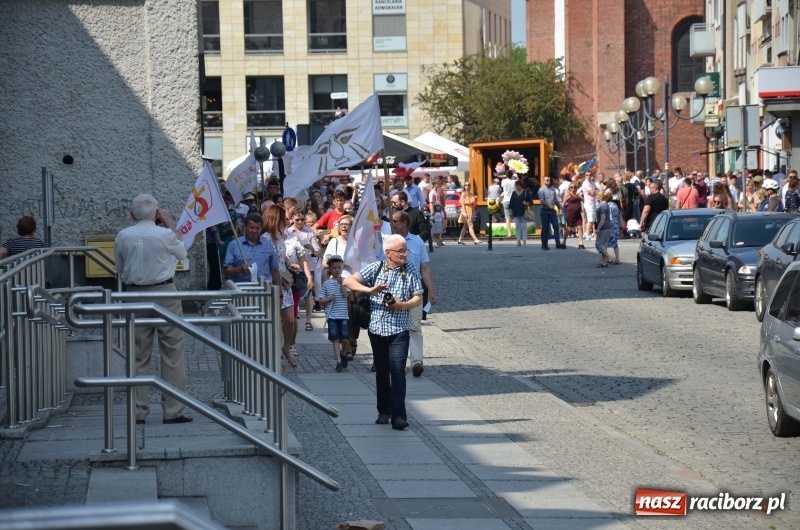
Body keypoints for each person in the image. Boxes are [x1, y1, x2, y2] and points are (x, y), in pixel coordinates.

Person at [114, 194, 192, 425]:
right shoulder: (165, 234)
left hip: (135, 294)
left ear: (131, 215)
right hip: (165, 292)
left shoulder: (123, 235)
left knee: (137, 355)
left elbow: (119, 268)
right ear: (157, 214)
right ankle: (173, 410)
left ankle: (137, 412)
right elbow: (183, 254)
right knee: (173, 353)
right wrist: (168, 222)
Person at [343, 234, 423, 431]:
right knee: (381, 371)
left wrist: (401, 305)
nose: (405, 254)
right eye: (401, 251)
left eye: (406, 250)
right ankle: (383, 411)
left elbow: (418, 298)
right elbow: (348, 282)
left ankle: (399, 415)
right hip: (377, 329)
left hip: (400, 329)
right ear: (388, 253)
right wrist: (369, 290)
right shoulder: (377, 268)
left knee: (397, 372)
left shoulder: (410, 269)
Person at [391, 210, 438, 377]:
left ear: (404, 223)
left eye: (395, 221)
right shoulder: (388, 241)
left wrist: (431, 290)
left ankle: (417, 361)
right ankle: (397, 361)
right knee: (395, 327)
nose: (392, 223)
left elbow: (425, 268)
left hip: (415, 291)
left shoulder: (417, 242)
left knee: (414, 326)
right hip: (394, 290)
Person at [262, 204, 300, 366]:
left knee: (290, 320)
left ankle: (286, 347)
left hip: (284, 282)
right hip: (272, 283)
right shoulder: (265, 238)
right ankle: (276, 351)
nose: (286, 221)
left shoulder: (280, 236)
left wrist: (290, 264)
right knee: (276, 319)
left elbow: (282, 255)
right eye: (283, 218)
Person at [287, 211, 320, 331]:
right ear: (292, 219)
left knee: (308, 294)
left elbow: (317, 250)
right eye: (297, 220)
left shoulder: (310, 232)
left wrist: (312, 248)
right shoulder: (287, 232)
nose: (300, 222)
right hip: (292, 267)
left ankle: (309, 320)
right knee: (292, 294)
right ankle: (293, 316)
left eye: (302, 219)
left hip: (308, 266)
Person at [318, 255, 350, 372]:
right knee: (335, 339)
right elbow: (320, 300)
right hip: (332, 316)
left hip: (343, 315)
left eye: (339, 268)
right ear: (330, 270)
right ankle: (338, 361)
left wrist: (342, 284)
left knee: (345, 338)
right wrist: (328, 299)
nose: (337, 270)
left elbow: (346, 296)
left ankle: (344, 352)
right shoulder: (327, 284)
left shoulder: (345, 282)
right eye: (334, 268)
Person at [537, 175, 563, 250]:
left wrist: (560, 208)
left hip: (552, 211)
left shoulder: (553, 190)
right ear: (543, 181)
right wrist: (549, 206)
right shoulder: (541, 190)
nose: (548, 181)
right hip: (544, 210)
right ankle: (544, 245)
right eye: (547, 180)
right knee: (545, 228)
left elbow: (555, 200)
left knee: (556, 226)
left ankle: (558, 243)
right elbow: (542, 200)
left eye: (549, 180)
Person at [509, 178, 533, 246]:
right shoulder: (514, 193)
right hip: (516, 211)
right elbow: (511, 203)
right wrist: (511, 211)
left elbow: (531, 202)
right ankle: (518, 240)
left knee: (524, 226)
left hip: (523, 211)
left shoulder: (525, 192)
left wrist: (526, 203)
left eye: (518, 185)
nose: (517, 187)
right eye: (516, 185)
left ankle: (524, 241)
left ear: (521, 185)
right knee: (517, 226)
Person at [594, 190, 614, 268]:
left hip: (604, 227)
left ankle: (609, 257)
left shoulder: (602, 206)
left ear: (601, 197)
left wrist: (598, 228)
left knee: (598, 244)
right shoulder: (606, 205)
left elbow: (603, 219)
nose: (596, 197)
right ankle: (604, 261)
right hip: (608, 227)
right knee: (604, 245)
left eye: (597, 196)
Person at [562, 182, 585, 248]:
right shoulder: (568, 195)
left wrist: (579, 195)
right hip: (571, 213)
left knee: (580, 227)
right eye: (571, 187)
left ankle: (581, 243)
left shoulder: (578, 194)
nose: (573, 188)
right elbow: (563, 203)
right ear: (569, 188)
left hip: (578, 213)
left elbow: (584, 200)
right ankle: (564, 241)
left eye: (575, 187)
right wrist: (561, 210)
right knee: (569, 228)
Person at [581, 173, 599, 240]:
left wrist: (594, 191)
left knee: (592, 219)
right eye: (587, 175)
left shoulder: (592, 183)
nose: (588, 176)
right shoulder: (585, 183)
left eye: (590, 175)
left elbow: (598, 190)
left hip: (593, 202)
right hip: (589, 203)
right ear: (585, 176)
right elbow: (592, 193)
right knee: (591, 219)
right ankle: (587, 234)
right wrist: (593, 192)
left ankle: (586, 233)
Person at [500, 169, 517, 237]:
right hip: (514, 200)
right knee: (516, 216)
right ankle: (517, 231)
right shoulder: (515, 181)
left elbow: (503, 184)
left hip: (506, 200)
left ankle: (509, 232)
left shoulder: (503, 181)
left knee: (507, 217)